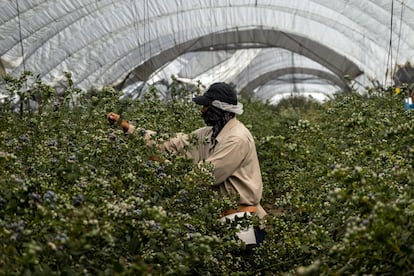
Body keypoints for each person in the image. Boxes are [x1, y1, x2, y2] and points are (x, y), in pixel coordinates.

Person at [107, 82, 266, 247]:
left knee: (241, 266)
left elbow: (207, 175)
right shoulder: (208, 134)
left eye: (206, 106)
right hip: (220, 219)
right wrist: (128, 128)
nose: (201, 110)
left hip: (241, 222)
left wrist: (166, 166)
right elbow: (169, 143)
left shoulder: (237, 139)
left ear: (219, 108)